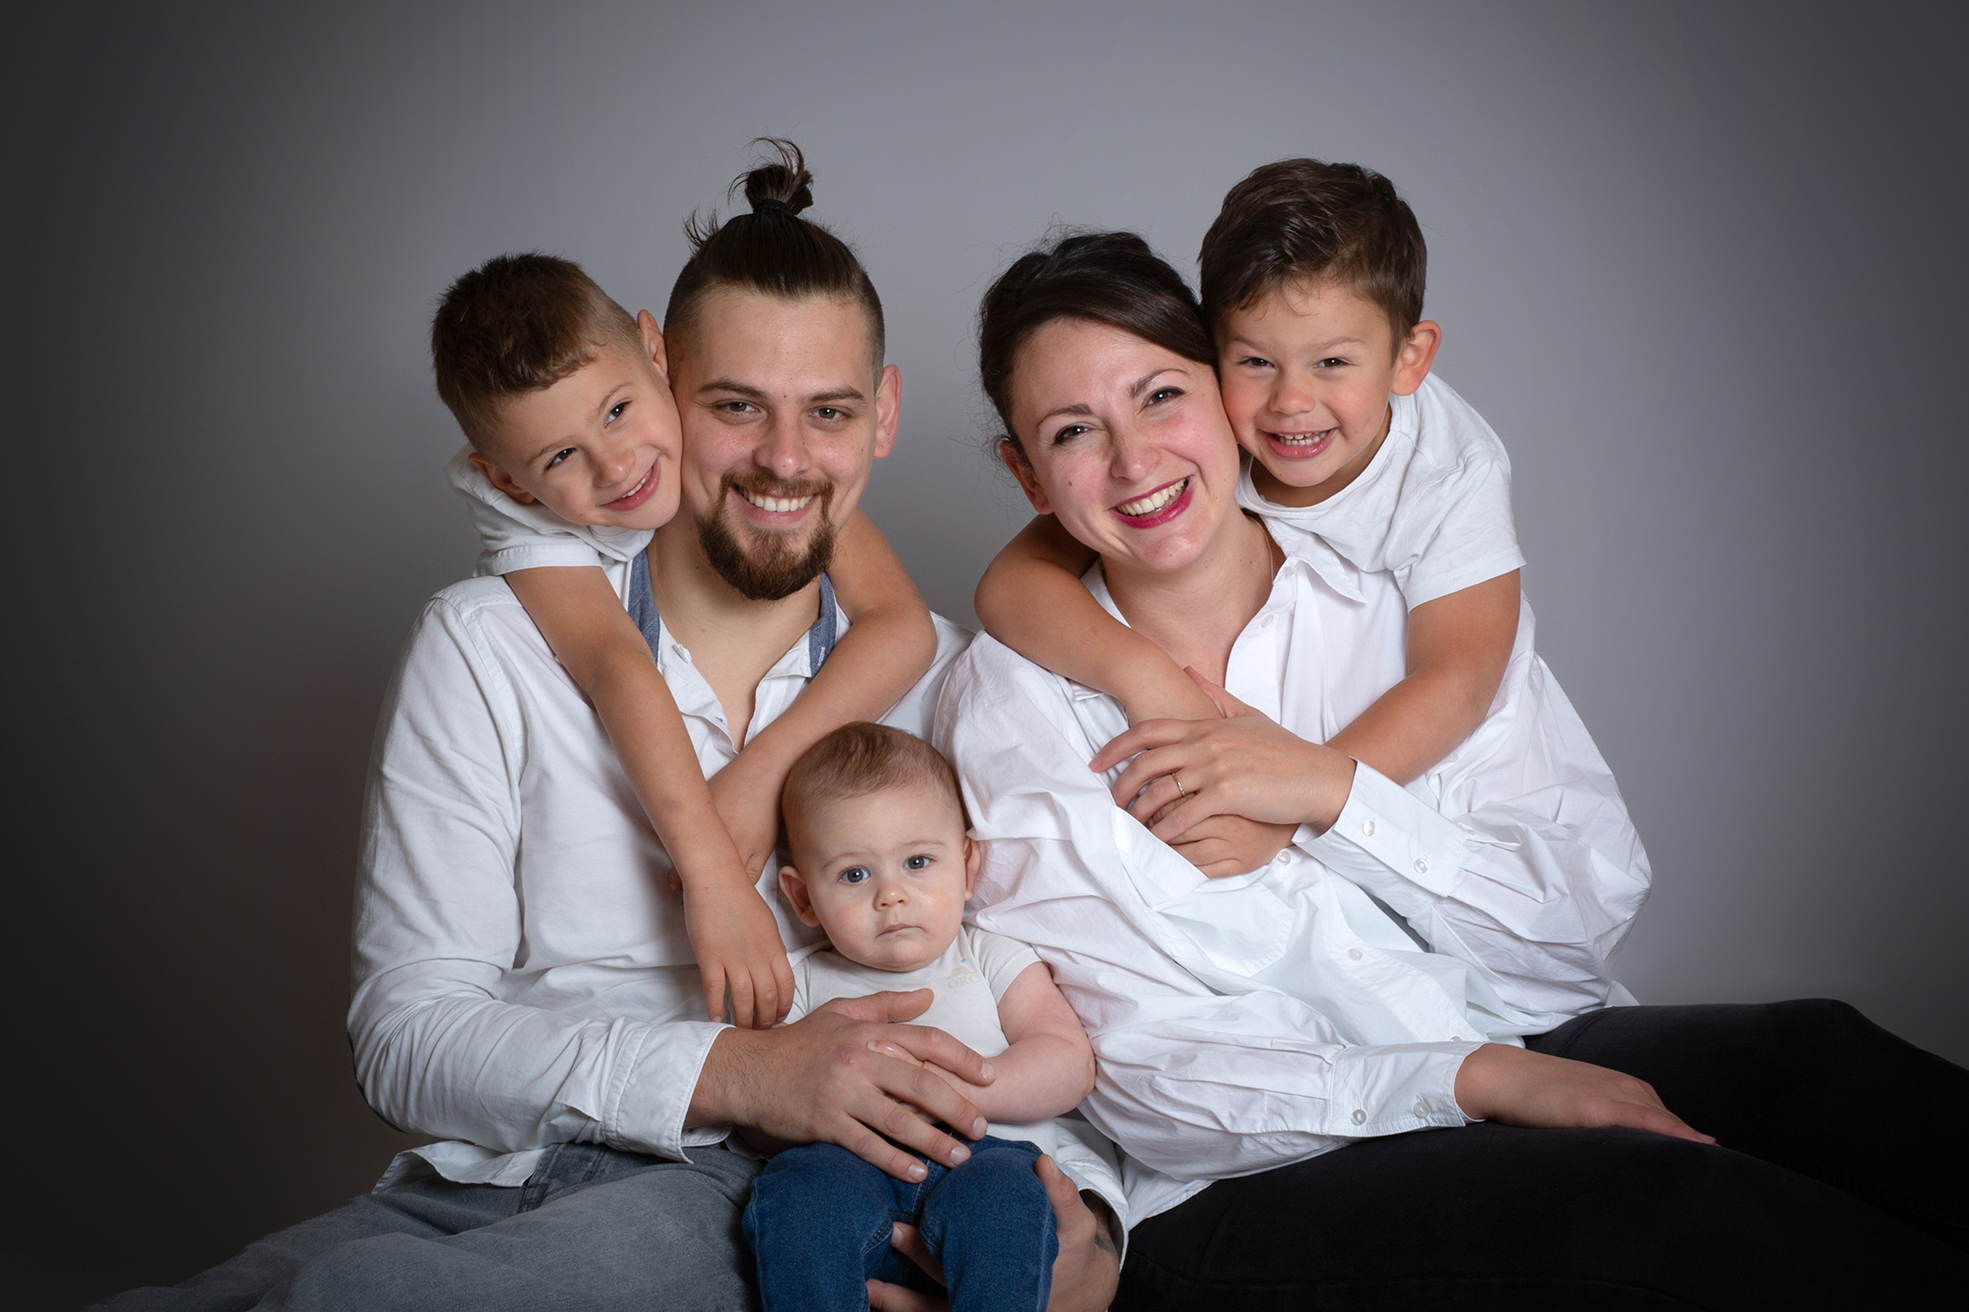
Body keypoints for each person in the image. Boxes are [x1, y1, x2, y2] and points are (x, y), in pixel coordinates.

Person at [94, 144, 1125, 1312]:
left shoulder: (950, 680)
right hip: (476, 1176)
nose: (785, 461)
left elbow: (1054, 1000)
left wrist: (1086, 1230)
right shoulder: (489, 641)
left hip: (739, 1192)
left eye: (827, 412)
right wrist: (738, 1066)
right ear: (660, 369)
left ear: (880, 414)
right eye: (734, 406)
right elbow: (406, 1034)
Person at [937, 229, 1969, 1307]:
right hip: (1254, 1162)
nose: (1135, 459)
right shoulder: (1013, 709)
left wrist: (1333, 797)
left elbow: (1566, 943)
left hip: (1500, 1021)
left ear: (1228, 389)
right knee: (1660, 1202)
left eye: (1160, 396)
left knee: (1819, 1061)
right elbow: (1156, 1077)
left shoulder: (1402, 595)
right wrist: (1474, 1079)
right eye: (1072, 431)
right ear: (1025, 473)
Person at [434, 248, 937, 1030]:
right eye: (737, 406)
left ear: (652, 356)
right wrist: (711, 871)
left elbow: (903, 628)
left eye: (829, 411)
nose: (618, 467)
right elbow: (614, 668)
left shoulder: (966, 676)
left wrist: (758, 781)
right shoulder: (510, 572)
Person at [975, 160, 1520, 802]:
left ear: (1410, 359)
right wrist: (1144, 676)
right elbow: (1012, 583)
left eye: (1333, 362)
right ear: (1214, 352)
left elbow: (1459, 679)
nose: (1291, 401)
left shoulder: (1446, 473)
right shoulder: (1221, 424)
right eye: (1257, 360)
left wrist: (1288, 806)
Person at [743, 721, 1097, 1312]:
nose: (891, 895)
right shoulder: (801, 982)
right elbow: (760, 1113)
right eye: (855, 874)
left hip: (983, 1158)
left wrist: (954, 1093)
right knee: (798, 1193)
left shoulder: (989, 955)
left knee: (1009, 1197)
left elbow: (1066, 1061)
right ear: (802, 898)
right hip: (849, 1167)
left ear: (967, 865)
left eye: (917, 862)